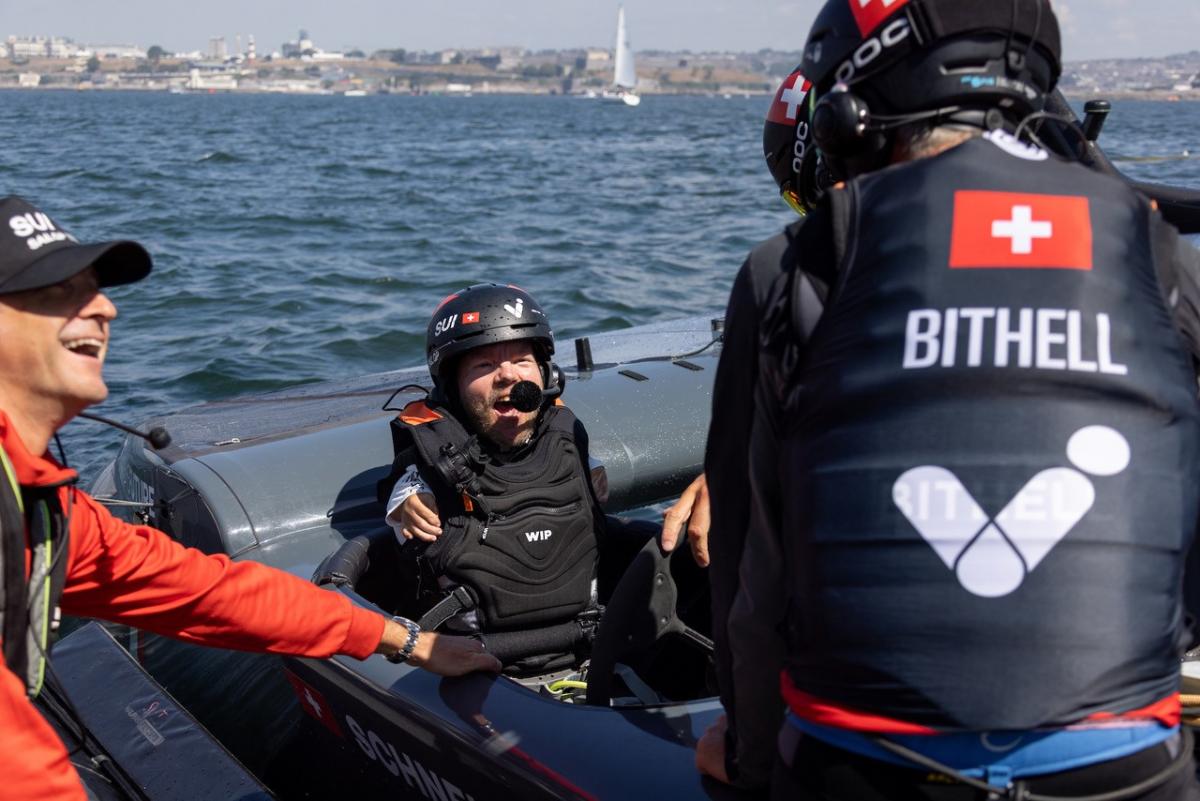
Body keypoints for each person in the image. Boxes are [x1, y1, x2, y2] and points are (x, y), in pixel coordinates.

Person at [696, 0, 1200, 798]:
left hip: (867, 766)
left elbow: (752, 586)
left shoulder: (793, 266)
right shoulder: (1162, 257)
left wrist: (752, 757)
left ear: (852, 114)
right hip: (1125, 768)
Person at [0, 195, 501, 801]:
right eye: (60, 291)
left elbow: (213, 595)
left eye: (96, 289)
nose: (103, 307)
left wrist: (409, 642)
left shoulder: (43, 505)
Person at [383, 283, 647, 657]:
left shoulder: (569, 441)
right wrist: (407, 496)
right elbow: (407, 481)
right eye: (484, 365)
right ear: (451, 386)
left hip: (587, 647)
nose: (507, 376)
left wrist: (592, 468)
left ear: (546, 375)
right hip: (473, 664)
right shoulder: (426, 468)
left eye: (522, 361)